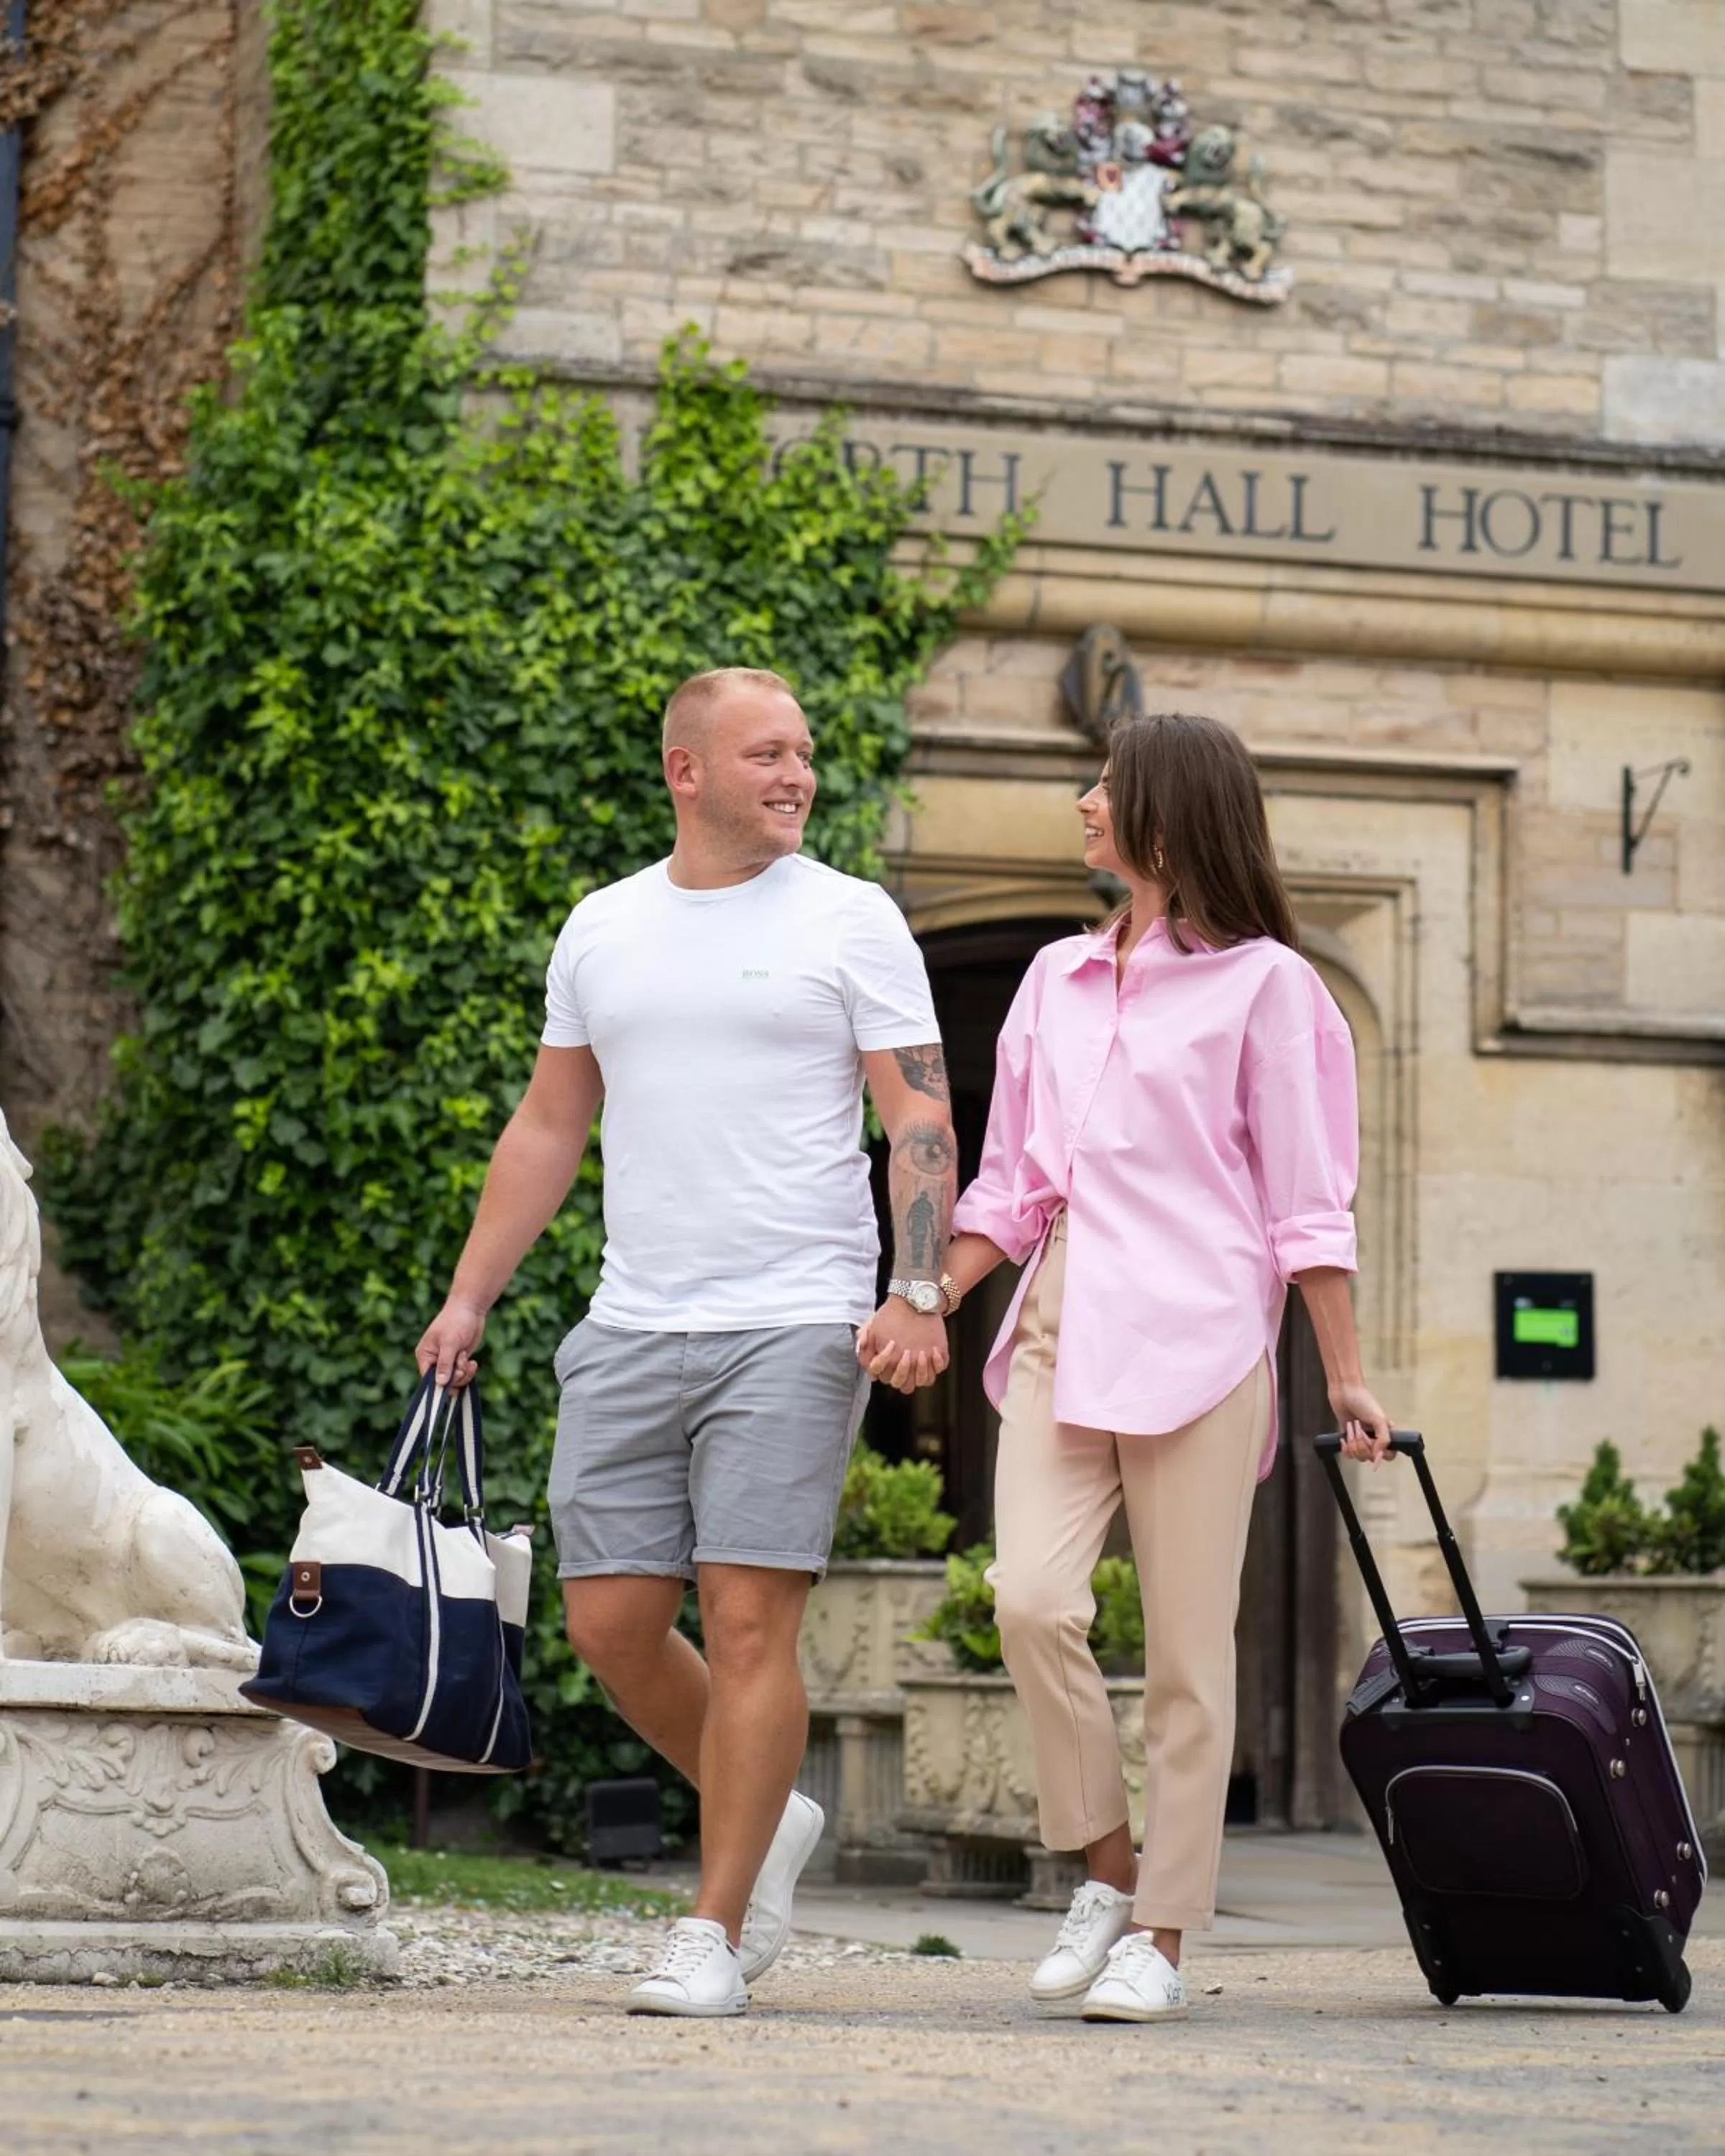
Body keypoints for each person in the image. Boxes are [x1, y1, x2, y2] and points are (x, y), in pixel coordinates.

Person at [418, 666, 956, 2017]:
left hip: (793, 1314)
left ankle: (712, 1930)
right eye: (766, 752)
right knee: (607, 1621)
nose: (796, 773)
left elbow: (920, 1119)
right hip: (633, 1316)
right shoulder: (604, 928)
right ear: (687, 771)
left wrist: (919, 1285)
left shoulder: (852, 918)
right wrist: (471, 1295)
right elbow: (549, 1127)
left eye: (807, 754)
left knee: (749, 1618)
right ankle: (764, 1814)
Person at [862, 709, 1394, 2024]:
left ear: (1166, 813)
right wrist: (920, 1296)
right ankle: (1107, 1866)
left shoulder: (1274, 989)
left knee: (1188, 1663)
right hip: (1060, 1325)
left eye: (1105, 789)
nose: (1084, 805)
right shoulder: (1053, 979)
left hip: (1206, 1342)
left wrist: (1343, 1374)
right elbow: (1014, 1185)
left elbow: (1307, 1209)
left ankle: (1163, 1930)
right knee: (1031, 1600)